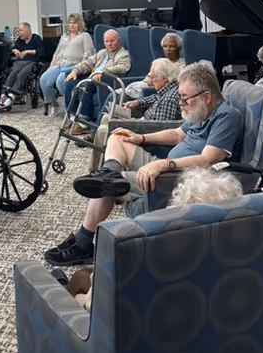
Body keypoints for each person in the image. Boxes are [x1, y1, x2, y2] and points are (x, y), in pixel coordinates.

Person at [44, 63, 244, 266]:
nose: (180, 102)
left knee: (110, 186)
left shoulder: (227, 116)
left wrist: (163, 165)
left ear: (207, 97)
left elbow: (207, 159)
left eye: (184, 97)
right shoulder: (200, 111)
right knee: (118, 138)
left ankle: (83, 241)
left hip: (180, 178)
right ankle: (109, 173)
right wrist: (140, 137)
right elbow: (177, 134)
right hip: (167, 166)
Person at [53, 166, 243, 310]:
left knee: (80, 280)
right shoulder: (245, 261)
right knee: (89, 273)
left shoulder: (141, 258)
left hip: (114, 339)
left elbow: (97, 308)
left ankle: (61, 288)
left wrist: (83, 300)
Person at [87, 57, 182, 170]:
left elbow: (159, 128)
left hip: (145, 130)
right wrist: (138, 102)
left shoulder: (169, 99)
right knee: (106, 118)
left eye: (153, 77)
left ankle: (98, 170)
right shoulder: (168, 90)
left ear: (165, 79)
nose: (150, 81)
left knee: (103, 130)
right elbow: (155, 97)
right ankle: (98, 167)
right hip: (144, 123)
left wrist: (134, 125)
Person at [62, 29, 131, 136]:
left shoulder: (123, 53)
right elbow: (88, 63)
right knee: (69, 82)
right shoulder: (102, 53)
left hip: (104, 81)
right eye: (106, 41)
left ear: (118, 41)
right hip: (92, 78)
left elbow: (123, 67)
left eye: (112, 41)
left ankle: (84, 122)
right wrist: (75, 70)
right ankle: (71, 116)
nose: (109, 44)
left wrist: (103, 72)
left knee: (86, 85)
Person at [40, 14, 94, 117]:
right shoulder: (64, 36)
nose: (72, 25)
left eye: (74, 23)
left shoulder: (84, 36)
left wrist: (81, 67)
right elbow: (56, 53)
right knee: (44, 79)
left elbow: (88, 54)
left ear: (80, 24)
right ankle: (54, 104)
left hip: (73, 66)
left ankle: (70, 106)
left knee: (61, 81)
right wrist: (51, 66)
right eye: (70, 23)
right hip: (59, 64)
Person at [123, 32, 185, 99]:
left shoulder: (182, 65)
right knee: (119, 94)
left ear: (179, 48)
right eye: (165, 46)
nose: (168, 49)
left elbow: (176, 82)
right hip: (146, 87)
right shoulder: (159, 62)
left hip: (160, 92)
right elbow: (148, 79)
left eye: (171, 46)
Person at [0, 22, 44, 107]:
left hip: (32, 62)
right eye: (19, 31)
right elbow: (13, 48)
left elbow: (41, 51)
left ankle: (13, 95)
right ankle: (3, 95)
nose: (19, 33)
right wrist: (15, 51)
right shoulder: (20, 40)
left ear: (28, 30)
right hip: (20, 61)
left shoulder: (36, 38)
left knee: (22, 73)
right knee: (13, 72)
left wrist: (28, 51)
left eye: (21, 30)